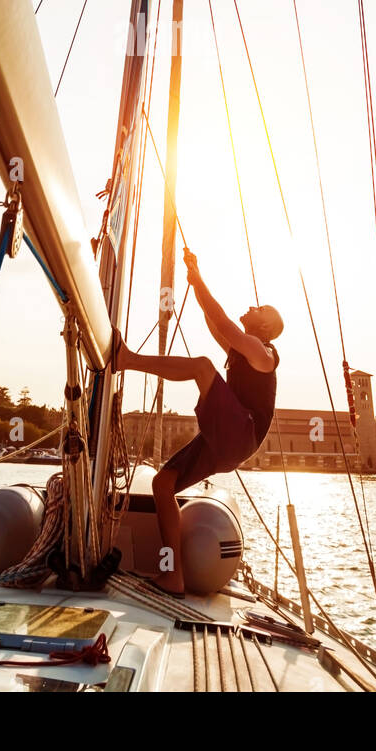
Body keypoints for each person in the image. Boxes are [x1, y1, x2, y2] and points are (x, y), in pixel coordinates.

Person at [113, 246, 282, 595]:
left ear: (265, 325)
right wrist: (193, 279)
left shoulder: (263, 353)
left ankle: (126, 359)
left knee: (203, 366)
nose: (252, 306)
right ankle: (170, 571)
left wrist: (200, 278)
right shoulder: (243, 349)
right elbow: (216, 325)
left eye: (259, 308)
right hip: (225, 442)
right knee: (163, 484)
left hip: (240, 433)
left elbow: (222, 323)